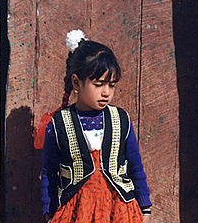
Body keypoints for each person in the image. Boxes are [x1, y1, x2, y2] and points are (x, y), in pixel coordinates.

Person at [40, 29, 152, 223]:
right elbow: (48, 172)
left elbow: (135, 165)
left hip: (119, 209)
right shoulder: (58, 124)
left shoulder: (121, 119)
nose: (106, 92)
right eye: (99, 84)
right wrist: (49, 211)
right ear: (77, 82)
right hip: (76, 211)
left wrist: (145, 206)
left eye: (112, 85)